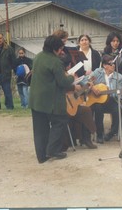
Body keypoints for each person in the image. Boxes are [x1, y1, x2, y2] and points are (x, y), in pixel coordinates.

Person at [29, 35, 75, 163]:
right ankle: (52, 150)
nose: (61, 51)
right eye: (60, 49)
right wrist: (71, 77)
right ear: (55, 48)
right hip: (49, 101)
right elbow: (63, 82)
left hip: (35, 100)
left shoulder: (38, 56)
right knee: (60, 121)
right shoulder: (55, 61)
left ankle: (41, 156)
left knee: (39, 129)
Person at [85, 54, 122, 144]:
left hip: (112, 100)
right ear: (104, 65)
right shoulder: (97, 72)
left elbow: (118, 96)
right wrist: (93, 88)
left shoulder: (119, 77)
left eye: (114, 63)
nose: (113, 65)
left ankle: (112, 133)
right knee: (98, 108)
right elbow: (86, 80)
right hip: (98, 100)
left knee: (119, 109)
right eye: (111, 63)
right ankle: (99, 134)